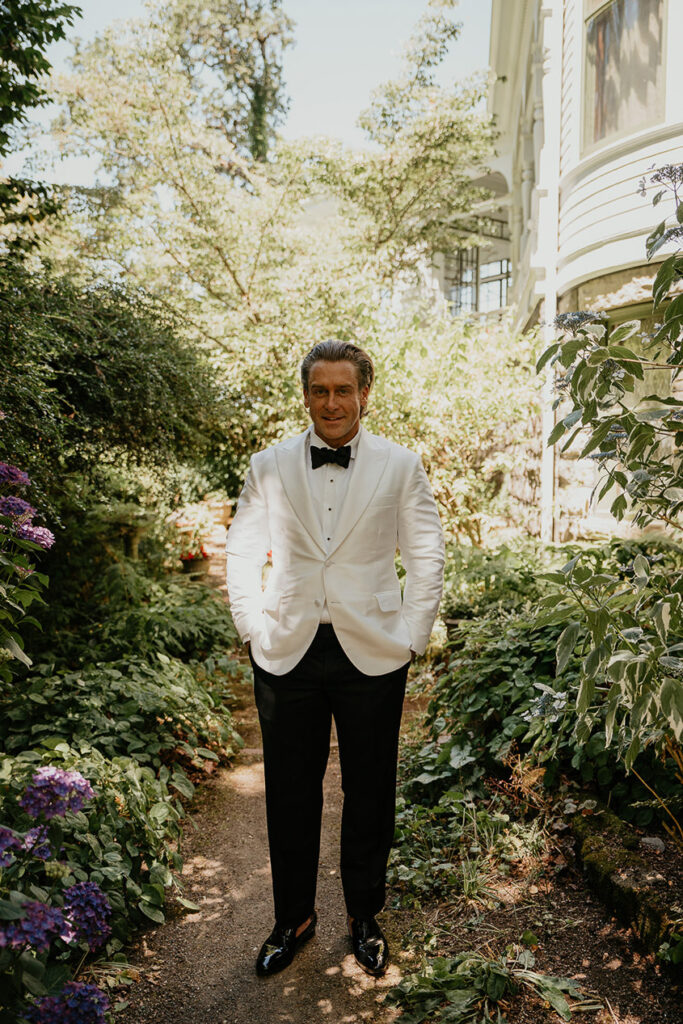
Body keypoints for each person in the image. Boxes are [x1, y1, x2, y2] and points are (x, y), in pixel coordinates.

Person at [225, 339, 444, 978]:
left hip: (373, 650)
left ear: (363, 394)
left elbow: (426, 555)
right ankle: (292, 919)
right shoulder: (267, 466)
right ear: (306, 397)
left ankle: (363, 916)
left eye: (342, 390)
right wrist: (251, 630)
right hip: (285, 649)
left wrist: (411, 636)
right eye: (319, 391)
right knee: (289, 793)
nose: (331, 403)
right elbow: (242, 551)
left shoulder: (400, 466)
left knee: (370, 789)